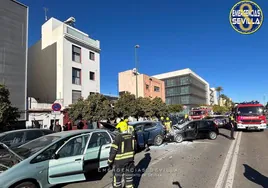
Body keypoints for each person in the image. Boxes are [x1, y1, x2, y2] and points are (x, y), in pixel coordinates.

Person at [108, 121, 137, 188]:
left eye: (118, 129)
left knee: (117, 180)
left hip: (119, 163)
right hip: (130, 162)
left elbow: (113, 152)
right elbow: (135, 148)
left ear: (120, 129)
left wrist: (109, 162)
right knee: (129, 179)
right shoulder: (132, 137)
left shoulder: (118, 138)